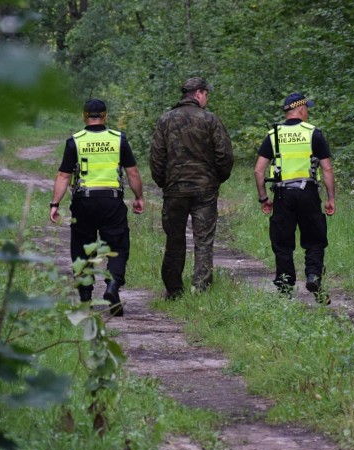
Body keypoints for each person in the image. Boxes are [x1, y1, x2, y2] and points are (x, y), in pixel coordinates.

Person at [49, 98, 145, 316]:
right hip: (112, 201)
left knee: (82, 248)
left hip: (84, 201)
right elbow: (133, 172)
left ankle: (85, 297)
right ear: (105, 116)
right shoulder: (118, 139)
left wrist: (55, 203)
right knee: (118, 246)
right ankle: (112, 287)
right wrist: (139, 196)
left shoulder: (75, 141)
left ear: (84, 116)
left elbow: (64, 175)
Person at [149, 77, 234, 299]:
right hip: (205, 190)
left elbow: (157, 157)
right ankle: (201, 289)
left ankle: (174, 290)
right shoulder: (210, 120)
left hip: (175, 189)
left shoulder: (165, 120)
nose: (207, 99)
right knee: (203, 240)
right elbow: (224, 154)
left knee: (174, 239)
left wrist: (164, 182)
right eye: (206, 94)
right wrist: (217, 179)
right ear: (198, 93)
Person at [254, 92, 336, 304]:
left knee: (282, 242)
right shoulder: (313, 133)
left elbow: (258, 171)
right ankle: (314, 276)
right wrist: (330, 198)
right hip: (308, 193)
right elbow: (327, 169)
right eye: (307, 108)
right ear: (300, 109)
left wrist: (264, 200)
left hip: (282, 194)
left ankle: (285, 286)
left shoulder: (274, 135)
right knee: (315, 238)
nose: (308, 111)